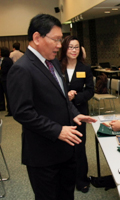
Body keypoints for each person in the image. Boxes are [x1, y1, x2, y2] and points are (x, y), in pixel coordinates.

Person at [7, 14, 97, 200]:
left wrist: (74, 113)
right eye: (56, 40)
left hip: (66, 150)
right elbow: (22, 112)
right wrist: (57, 131)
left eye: (60, 40)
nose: (59, 45)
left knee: (66, 195)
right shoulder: (22, 68)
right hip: (43, 155)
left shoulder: (54, 62)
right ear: (37, 38)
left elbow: (63, 96)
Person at [59, 35, 94, 193]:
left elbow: (90, 90)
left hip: (80, 111)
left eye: (77, 47)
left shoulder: (84, 68)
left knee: (79, 146)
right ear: (65, 48)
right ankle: (66, 178)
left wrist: (76, 96)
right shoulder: (57, 66)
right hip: (60, 112)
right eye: (71, 47)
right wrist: (67, 93)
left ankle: (81, 179)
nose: (74, 50)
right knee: (63, 145)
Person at [0, 47, 13, 116]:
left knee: (7, 96)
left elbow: (4, 71)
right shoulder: (9, 59)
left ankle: (10, 110)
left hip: (5, 80)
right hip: (7, 79)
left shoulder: (5, 60)